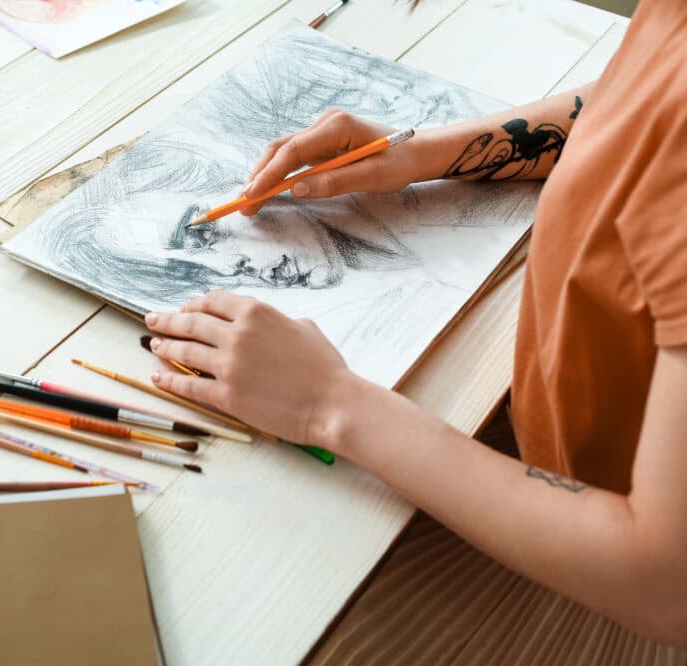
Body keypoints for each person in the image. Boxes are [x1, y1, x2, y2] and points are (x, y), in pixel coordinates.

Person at [144, 0, 687, 645]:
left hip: (589, 594)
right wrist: (431, 152)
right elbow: (647, 98)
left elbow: (664, 586)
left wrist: (329, 405)